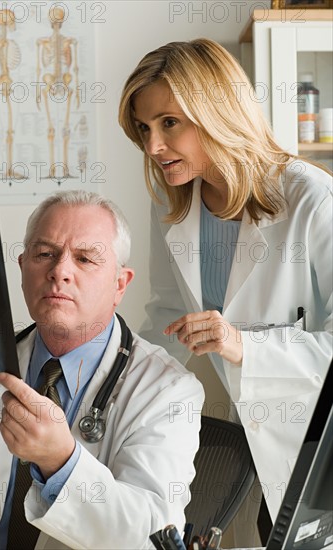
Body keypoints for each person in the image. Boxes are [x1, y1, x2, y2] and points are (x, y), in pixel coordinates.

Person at [118, 38, 333, 528]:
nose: (153, 146)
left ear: (217, 110)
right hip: (239, 440)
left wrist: (246, 347)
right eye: (144, 128)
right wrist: (110, 385)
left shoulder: (312, 200)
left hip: (315, 447)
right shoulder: (173, 204)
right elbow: (168, 320)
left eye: (169, 122)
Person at [0, 190, 204, 549]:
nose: (59, 271)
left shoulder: (168, 390)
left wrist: (60, 462)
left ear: (119, 284)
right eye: (45, 254)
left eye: (85, 259)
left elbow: (152, 538)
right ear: (21, 268)